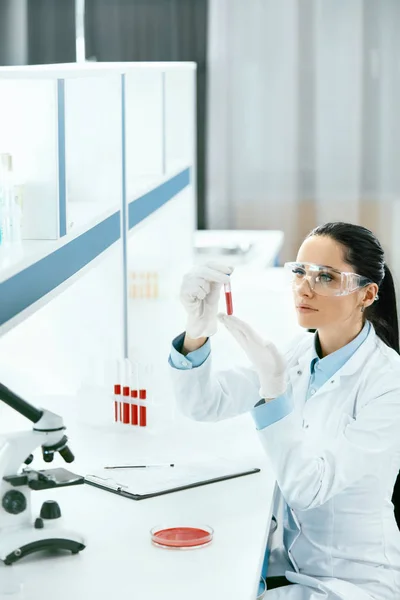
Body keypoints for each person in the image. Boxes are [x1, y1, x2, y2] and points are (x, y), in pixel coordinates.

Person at [168, 222, 400, 599]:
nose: (305, 288)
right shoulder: (298, 354)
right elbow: (204, 403)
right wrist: (197, 332)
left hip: (354, 582)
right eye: (300, 272)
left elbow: (309, 488)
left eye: (326, 277)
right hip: (294, 570)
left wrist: (274, 396)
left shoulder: (388, 383)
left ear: (366, 294)